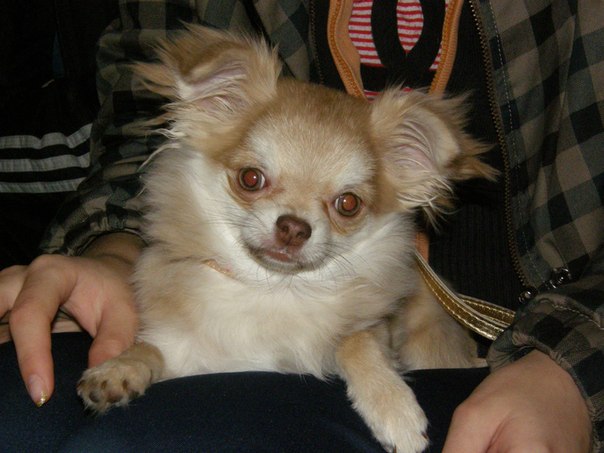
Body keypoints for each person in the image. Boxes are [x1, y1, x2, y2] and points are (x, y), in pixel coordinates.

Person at [0, 0, 602, 451]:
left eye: (345, 204)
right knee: (16, 421)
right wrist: (110, 245)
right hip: (183, 308)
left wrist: (576, 362)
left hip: (524, 351)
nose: (294, 224)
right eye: (255, 179)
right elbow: (137, 121)